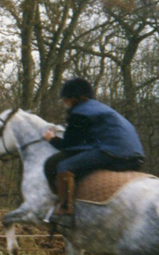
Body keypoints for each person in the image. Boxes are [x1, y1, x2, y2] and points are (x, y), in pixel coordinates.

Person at [42, 78, 145, 228]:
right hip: (136, 154)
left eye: (65, 99)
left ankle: (65, 212)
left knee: (64, 165)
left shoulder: (79, 113)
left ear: (74, 98)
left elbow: (68, 145)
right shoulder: (100, 109)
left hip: (114, 152)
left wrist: (51, 139)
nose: (64, 102)